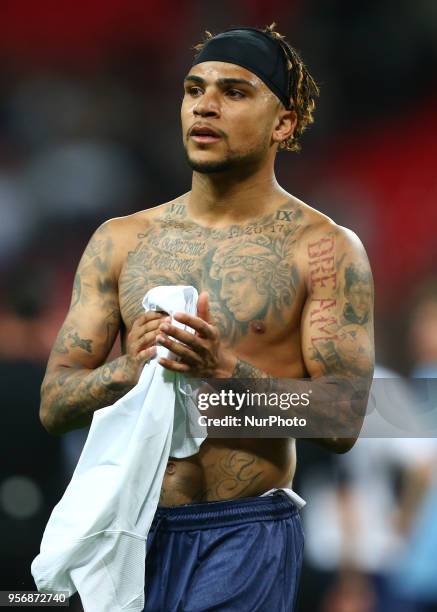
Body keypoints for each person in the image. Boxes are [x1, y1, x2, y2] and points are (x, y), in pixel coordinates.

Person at [38, 25, 374, 612]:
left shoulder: (324, 249)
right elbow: (53, 405)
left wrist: (228, 370)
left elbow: (344, 419)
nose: (205, 105)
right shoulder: (120, 241)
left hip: (243, 532)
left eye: (235, 92)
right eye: (194, 89)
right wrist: (126, 371)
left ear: (284, 123)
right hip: (125, 525)